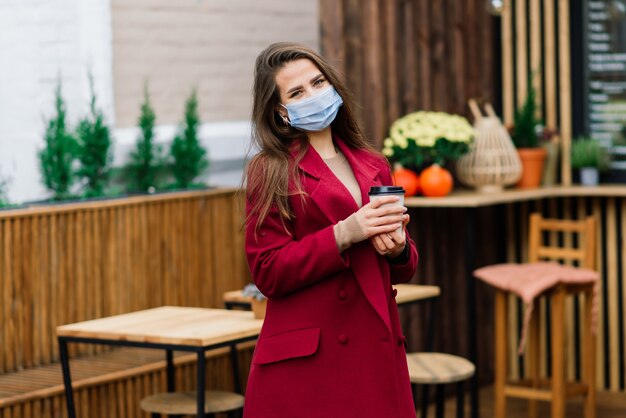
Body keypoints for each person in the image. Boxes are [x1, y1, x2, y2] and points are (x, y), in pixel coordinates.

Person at [243, 42, 419, 418]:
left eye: (318, 82)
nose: (313, 96)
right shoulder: (270, 169)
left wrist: (398, 249)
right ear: (280, 110)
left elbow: (401, 266)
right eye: (296, 92)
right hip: (308, 362)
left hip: (373, 349)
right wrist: (344, 233)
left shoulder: (373, 163)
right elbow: (267, 271)